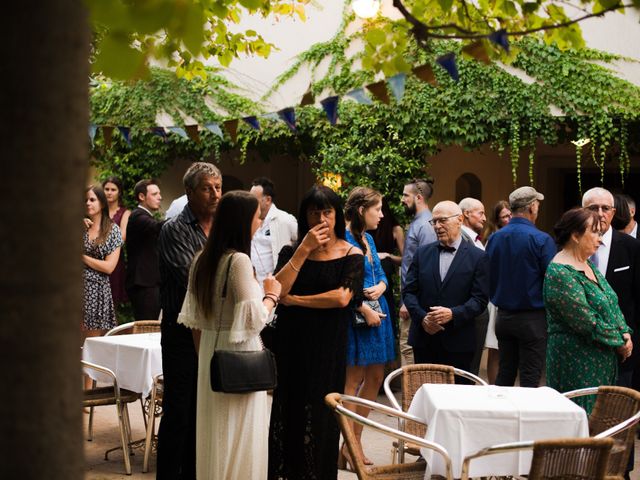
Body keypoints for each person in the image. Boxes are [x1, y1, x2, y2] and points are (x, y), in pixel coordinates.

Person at [177, 191, 281, 479]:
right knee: (241, 435)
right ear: (243, 220)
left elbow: (195, 321)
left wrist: (205, 358)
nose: (260, 221)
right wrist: (272, 295)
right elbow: (254, 319)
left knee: (216, 432)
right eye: (257, 216)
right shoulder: (238, 262)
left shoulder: (201, 259)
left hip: (212, 351)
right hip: (239, 352)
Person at [268, 185, 364, 480]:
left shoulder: (352, 254)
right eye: (314, 212)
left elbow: (342, 298)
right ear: (304, 216)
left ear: (337, 215)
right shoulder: (292, 250)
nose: (321, 218)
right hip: (291, 344)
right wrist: (304, 249)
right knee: (289, 413)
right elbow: (276, 288)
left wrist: (297, 301)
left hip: (327, 346)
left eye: (327, 211)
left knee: (322, 417)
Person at [156, 162, 222, 480]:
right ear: (190, 192)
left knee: (203, 411)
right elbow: (193, 281)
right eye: (208, 188)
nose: (215, 194)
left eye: (218, 187)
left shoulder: (223, 228)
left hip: (212, 330)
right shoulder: (174, 230)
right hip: (181, 330)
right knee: (179, 410)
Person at [544, 207, 632, 413]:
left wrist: (625, 332)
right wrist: (620, 341)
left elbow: (611, 301)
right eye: (594, 232)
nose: (600, 240)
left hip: (601, 361)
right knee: (580, 424)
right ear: (575, 235)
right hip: (576, 364)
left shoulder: (586, 264)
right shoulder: (559, 272)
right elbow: (585, 320)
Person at [342, 187, 395, 467]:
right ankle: (350, 445)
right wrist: (362, 303)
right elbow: (340, 282)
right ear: (362, 210)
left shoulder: (369, 239)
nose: (382, 215)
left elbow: (383, 273)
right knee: (352, 381)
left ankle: (356, 440)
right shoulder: (344, 238)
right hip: (357, 313)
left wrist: (382, 285)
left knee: (375, 378)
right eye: (378, 209)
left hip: (380, 311)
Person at [403, 201, 489, 374]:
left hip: (459, 341)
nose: (437, 226)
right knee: (425, 394)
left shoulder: (478, 257)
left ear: (459, 219)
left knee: (457, 397)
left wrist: (453, 314)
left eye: (442, 220)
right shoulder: (422, 253)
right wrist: (422, 318)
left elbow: (479, 300)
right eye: (434, 222)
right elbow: (409, 292)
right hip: (425, 340)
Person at [485, 186, 556, 387]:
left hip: (504, 316)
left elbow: (488, 276)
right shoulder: (541, 239)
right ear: (532, 207)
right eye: (538, 205)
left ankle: (499, 417)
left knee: (505, 374)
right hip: (533, 318)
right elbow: (551, 282)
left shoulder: (495, 238)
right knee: (530, 378)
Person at [582, 187, 640, 388]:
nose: (599, 214)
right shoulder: (569, 248)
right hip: (581, 346)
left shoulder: (632, 248)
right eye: (593, 208)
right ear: (582, 211)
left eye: (605, 208)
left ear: (613, 213)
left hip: (622, 349)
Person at [399, 178, 437, 366]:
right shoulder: (417, 222)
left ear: (419, 198)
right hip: (409, 299)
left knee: (409, 350)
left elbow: (426, 268)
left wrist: (408, 301)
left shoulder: (426, 226)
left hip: (414, 303)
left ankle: (413, 395)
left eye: (406, 195)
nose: (402, 199)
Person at [82, 185, 123, 338]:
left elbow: (109, 267)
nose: (87, 203)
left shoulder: (112, 230)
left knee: (89, 345)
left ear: (102, 203)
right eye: (85, 200)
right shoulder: (80, 226)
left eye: (92, 199)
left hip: (96, 291)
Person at [458, 197, 489, 376]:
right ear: (467, 214)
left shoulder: (476, 240)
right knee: (468, 369)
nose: (484, 218)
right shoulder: (463, 239)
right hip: (469, 311)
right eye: (480, 213)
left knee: (473, 366)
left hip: (478, 310)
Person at [126, 179, 164, 320]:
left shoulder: (144, 216)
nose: (160, 197)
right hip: (143, 283)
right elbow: (159, 227)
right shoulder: (138, 216)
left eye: (159, 193)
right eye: (155, 194)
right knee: (147, 327)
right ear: (142, 197)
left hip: (148, 282)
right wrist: (185, 216)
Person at [249, 177, 298, 285]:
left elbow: (301, 243)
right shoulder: (247, 220)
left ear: (268, 200)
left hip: (276, 284)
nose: (250, 203)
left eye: (254, 199)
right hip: (253, 285)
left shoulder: (286, 219)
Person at [484, 199, 511, 384]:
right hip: (496, 296)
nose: (508, 219)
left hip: (509, 296)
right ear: (498, 219)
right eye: (504, 216)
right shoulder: (493, 238)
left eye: (510, 215)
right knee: (495, 348)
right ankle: (492, 386)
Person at [369, 197, 404, 337]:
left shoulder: (396, 229)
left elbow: (405, 259)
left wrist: (387, 255)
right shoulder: (365, 230)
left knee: (385, 313)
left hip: (385, 276)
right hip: (367, 276)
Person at [102, 176, 130, 307]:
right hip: (95, 261)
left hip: (115, 262)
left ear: (119, 192)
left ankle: (113, 328)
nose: (109, 192)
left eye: (113, 189)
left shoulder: (125, 213)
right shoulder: (97, 211)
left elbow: (122, 238)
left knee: (113, 304)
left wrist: (100, 243)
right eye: (106, 189)